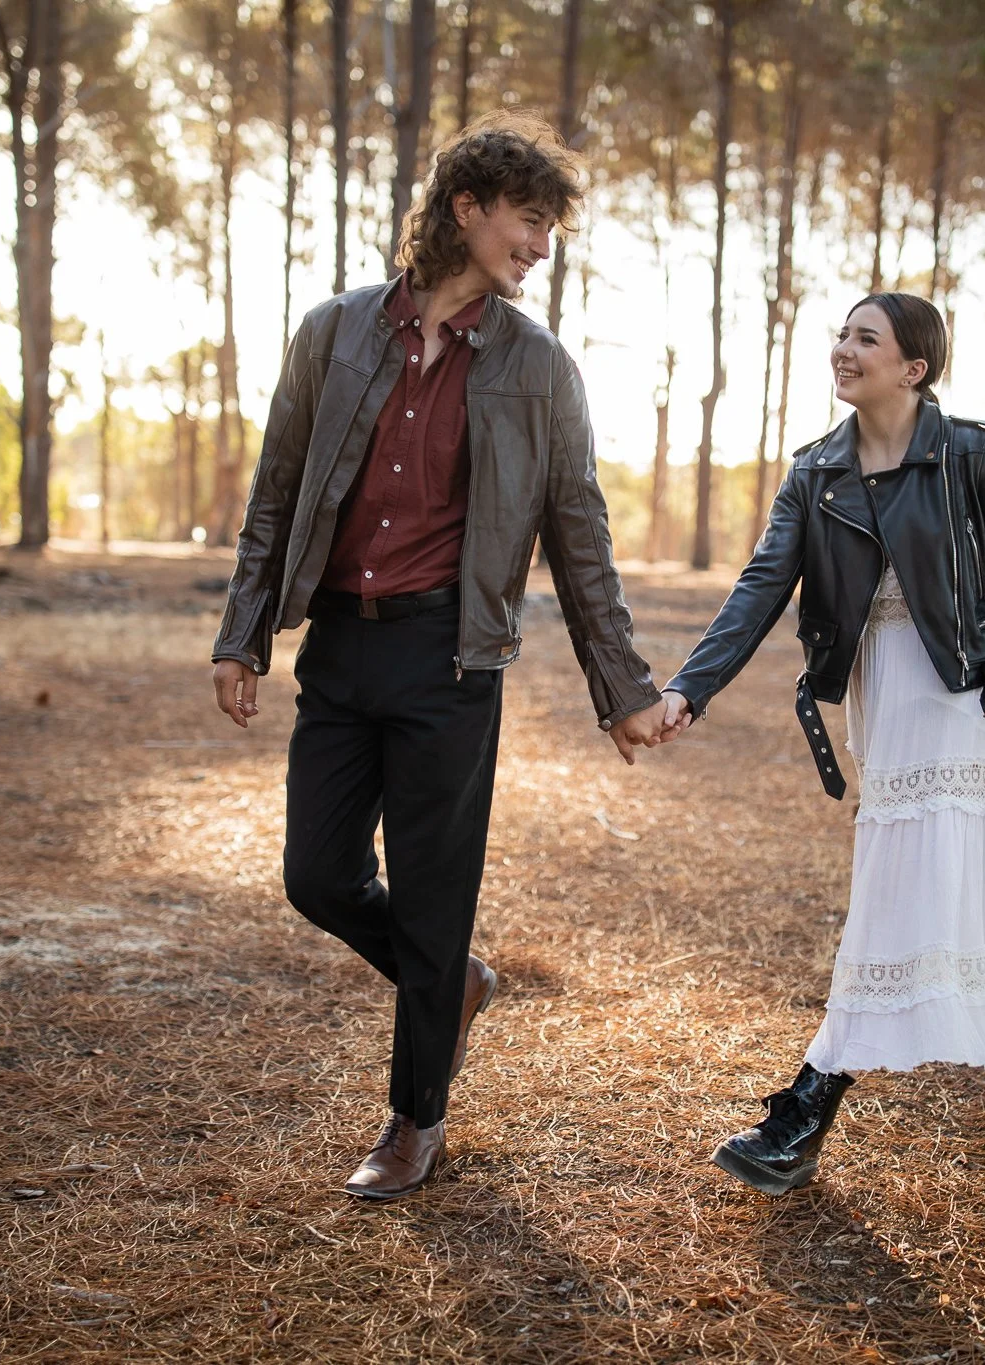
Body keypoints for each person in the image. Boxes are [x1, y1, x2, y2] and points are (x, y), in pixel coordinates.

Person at [210, 111, 668, 1201]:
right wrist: (242, 635)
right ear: (467, 210)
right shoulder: (333, 333)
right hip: (338, 650)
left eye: (550, 227)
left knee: (430, 891)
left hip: (449, 663)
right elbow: (274, 495)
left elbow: (579, 534)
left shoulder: (536, 366)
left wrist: (624, 690)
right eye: (529, 218)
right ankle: (449, 983)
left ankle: (414, 1122)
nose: (542, 245)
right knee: (315, 876)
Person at [659, 292, 985, 1196]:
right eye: (842, 333)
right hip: (884, 704)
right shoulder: (816, 472)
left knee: (901, 889)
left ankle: (806, 1109)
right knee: (966, 882)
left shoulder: (967, 453)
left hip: (963, 701)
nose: (842, 348)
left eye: (864, 338)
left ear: (913, 368)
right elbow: (760, 587)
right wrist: (691, 687)